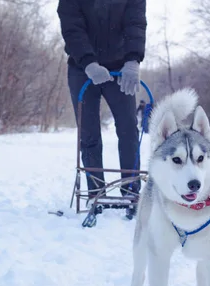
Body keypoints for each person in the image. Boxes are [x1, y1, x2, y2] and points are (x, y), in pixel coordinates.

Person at [57, 0, 147, 203]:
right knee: (89, 134)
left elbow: (135, 23)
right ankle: (95, 192)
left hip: (120, 67)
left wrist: (133, 60)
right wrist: (88, 62)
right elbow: (72, 27)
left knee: (128, 129)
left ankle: (131, 191)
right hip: (82, 68)